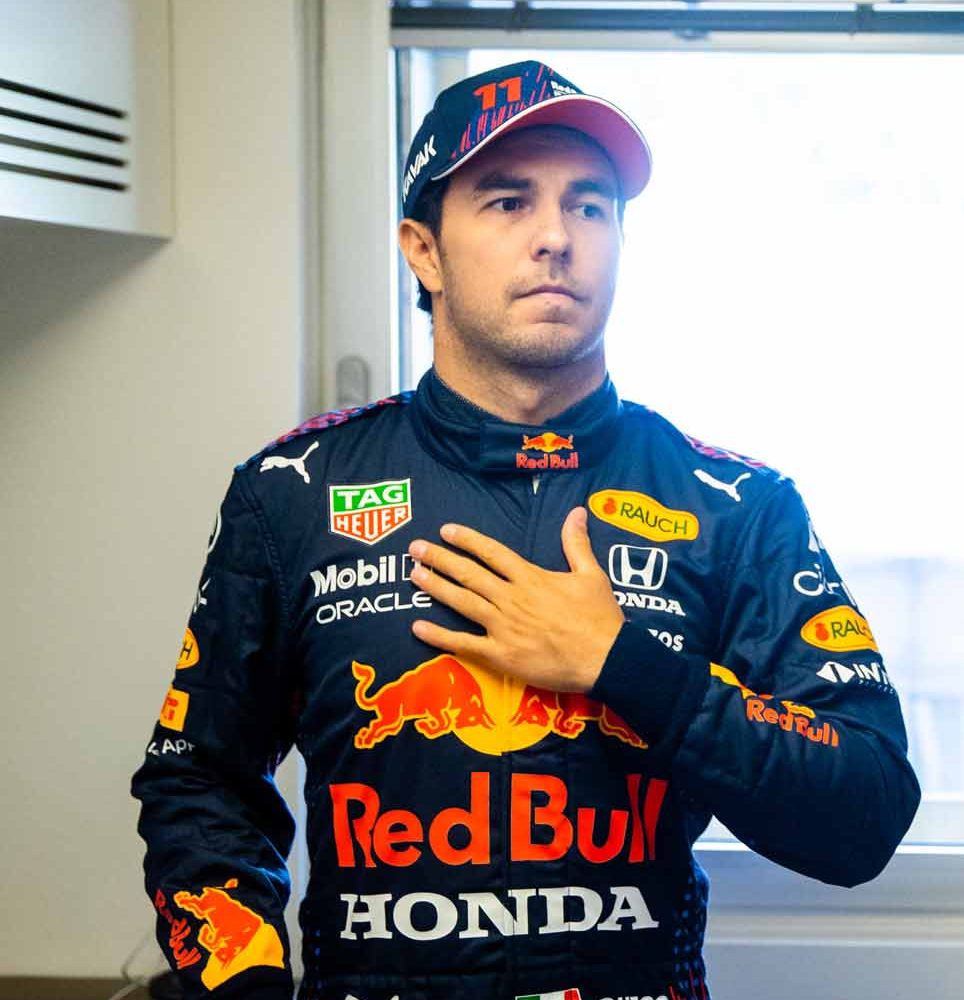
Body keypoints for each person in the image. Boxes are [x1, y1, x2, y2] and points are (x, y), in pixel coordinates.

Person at [132, 60, 920, 1000]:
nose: (556, 238)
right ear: (423, 251)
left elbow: (866, 811)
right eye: (508, 203)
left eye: (590, 207)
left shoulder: (738, 505)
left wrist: (624, 665)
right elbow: (199, 782)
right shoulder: (290, 492)